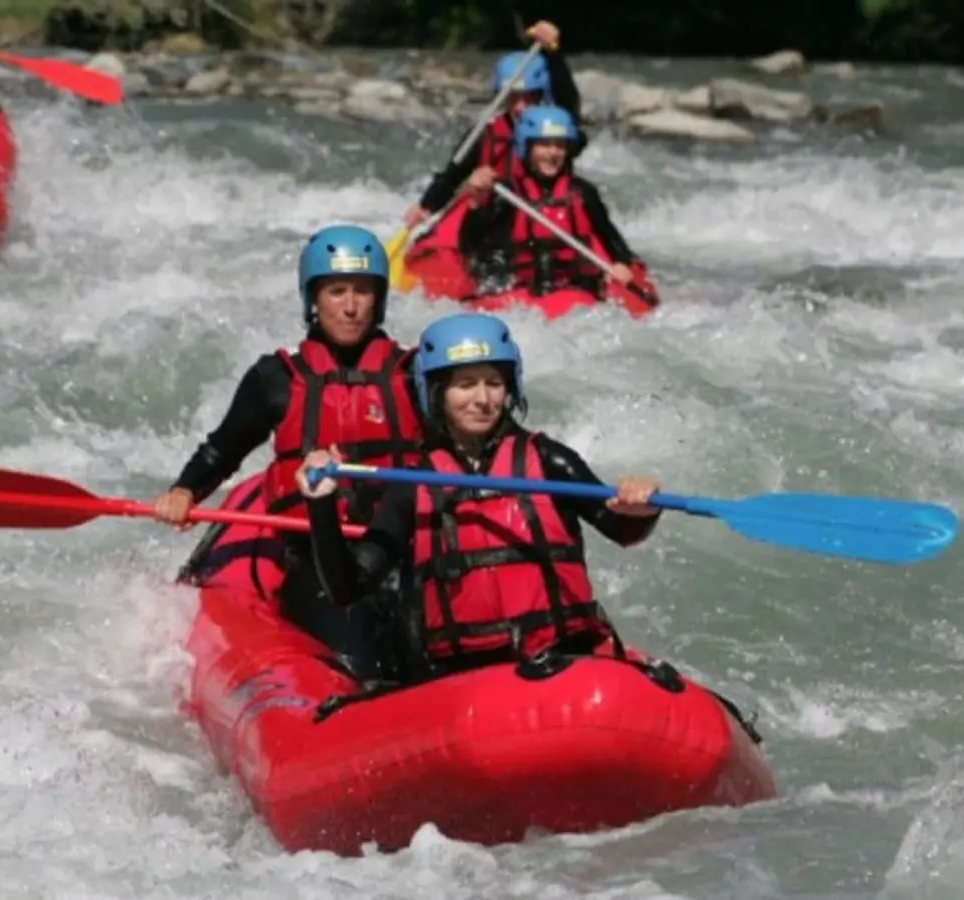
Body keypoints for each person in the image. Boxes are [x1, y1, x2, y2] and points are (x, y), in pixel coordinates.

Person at [296, 312, 663, 680]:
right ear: (437, 393)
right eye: (466, 384)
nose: (483, 399)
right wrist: (321, 505)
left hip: (565, 661)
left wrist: (641, 509)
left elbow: (622, 531)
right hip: (467, 678)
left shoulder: (548, 460)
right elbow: (348, 587)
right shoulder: (413, 484)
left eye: (494, 383)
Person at [153, 223, 424, 681]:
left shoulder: (414, 373)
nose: (352, 306)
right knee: (360, 668)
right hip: (318, 558)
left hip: (400, 549)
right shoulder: (276, 378)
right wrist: (185, 490)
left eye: (363, 291)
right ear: (312, 300)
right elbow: (224, 448)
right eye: (337, 291)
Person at [401, 20, 587, 231]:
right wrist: (426, 206)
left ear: (542, 94)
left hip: (550, 219)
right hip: (500, 223)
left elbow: (569, 103)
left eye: (529, 98)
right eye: (512, 98)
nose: (520, 107)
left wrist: (553, 55)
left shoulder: (558, 130)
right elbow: (453, 173)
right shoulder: (486, 131)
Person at [458, 104, 647, 301]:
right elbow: (468, 245)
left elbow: (614, 243)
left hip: (574, 293)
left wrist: (621, 263)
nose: (553, 153)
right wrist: (477, 202)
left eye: (559, 146)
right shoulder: (507, 194)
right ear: (527, 147)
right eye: (544, 145)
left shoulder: (582, 193)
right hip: (519, 294)